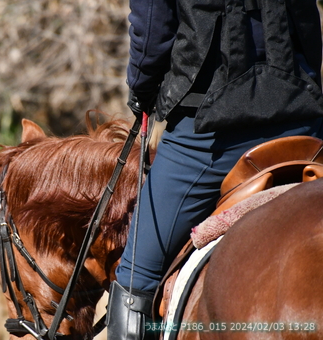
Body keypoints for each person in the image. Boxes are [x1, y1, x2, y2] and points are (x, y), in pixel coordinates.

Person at [106, 0, 323, 339]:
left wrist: (143, 90)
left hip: (207, 139)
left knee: (136, 279)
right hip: (305, 124)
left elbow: (152, 34)